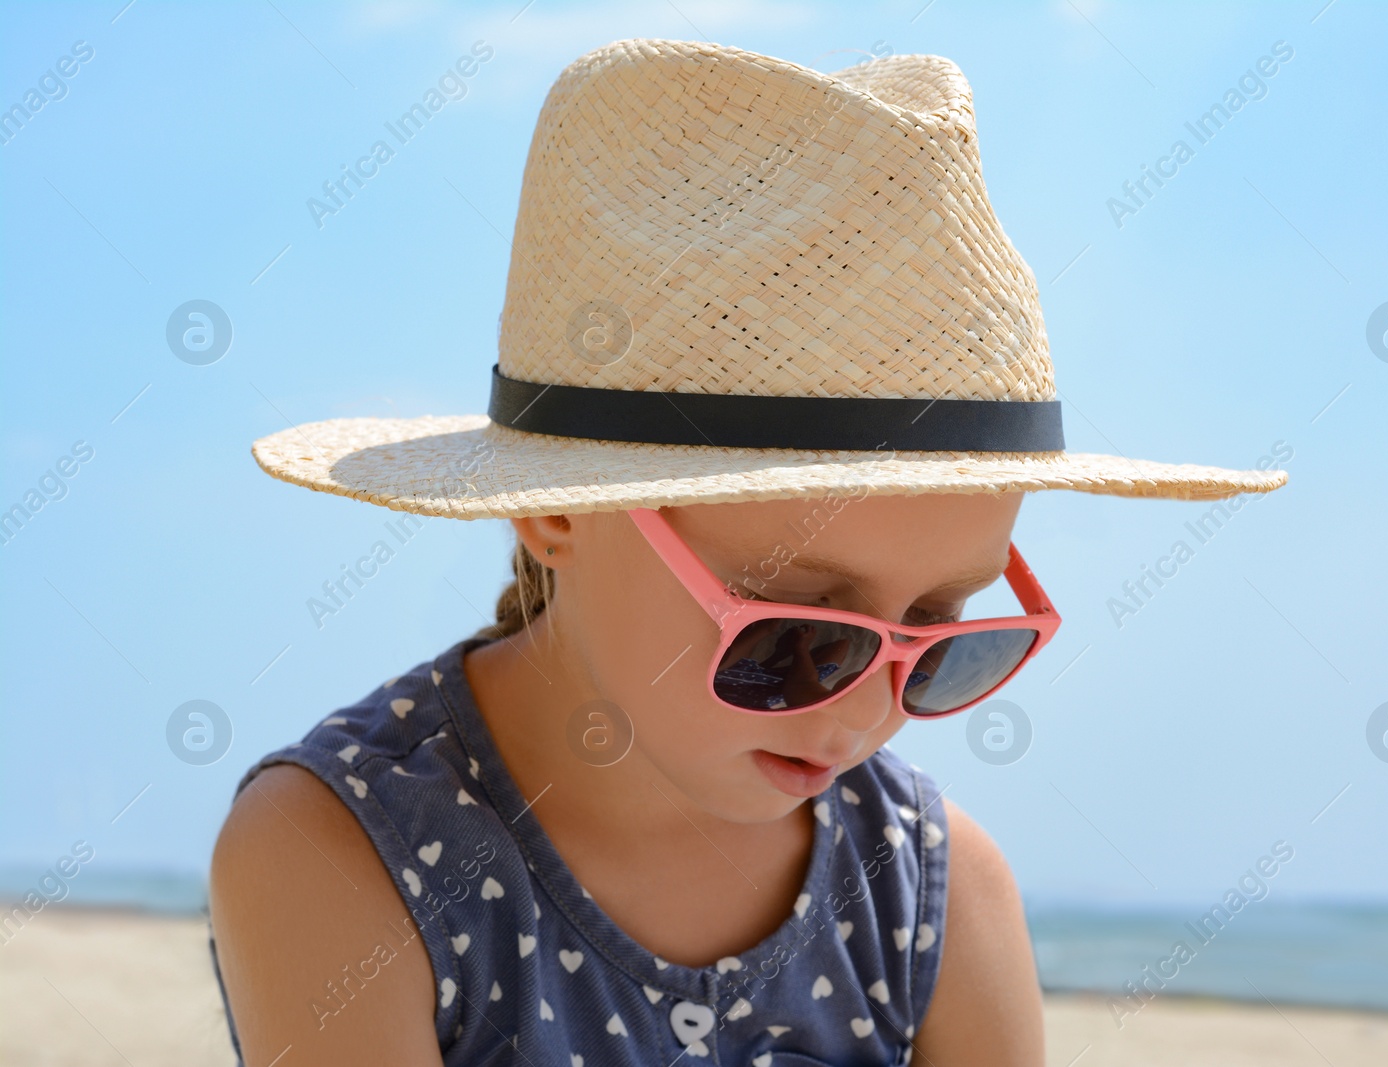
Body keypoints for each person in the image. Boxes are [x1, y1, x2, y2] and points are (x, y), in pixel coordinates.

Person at [209, 37, 1285, 1067]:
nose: (867, 713)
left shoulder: (932, 892)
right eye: (798, 638)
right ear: (559, 515)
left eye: (941, 641)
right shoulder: (342, 850)